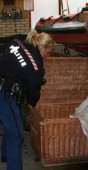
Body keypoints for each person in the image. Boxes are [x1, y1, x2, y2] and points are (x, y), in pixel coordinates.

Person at [0, 30, 54, 170]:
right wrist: (33, 104)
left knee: (11, 121)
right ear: (44, 48)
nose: (48, 56)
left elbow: (6, 50)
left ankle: (5, 154)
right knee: (17, 135)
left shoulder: (17, 43)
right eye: (49, 52)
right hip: (4, 95)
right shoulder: (36, 67)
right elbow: (33, 95)